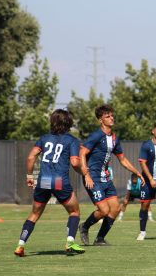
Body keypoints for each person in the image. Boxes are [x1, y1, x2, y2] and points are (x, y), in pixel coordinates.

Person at [14, 109, 86, 256]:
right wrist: (84, 172)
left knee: (34, 214)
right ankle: (70, 242)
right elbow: (74, 162)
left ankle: (20, 245)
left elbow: (30, 157)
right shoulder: (72, 140)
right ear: (69, 123)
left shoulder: (44, 138)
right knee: (74, 211)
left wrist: (29, 176)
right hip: (59, 181)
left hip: (44, 180)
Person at [78, 104, 144, 246]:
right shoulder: (96, 135)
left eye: (112, 115)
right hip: (93, 178)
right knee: (103, 210)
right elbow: (82, 152)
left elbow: (122, 159)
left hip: (106, 179)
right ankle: (84, 227)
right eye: (107, 116)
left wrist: (137, 172)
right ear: (101, 120)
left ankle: (100, 239)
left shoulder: (114, 138)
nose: (111, 118)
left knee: (115, 209)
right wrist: (86, 174)